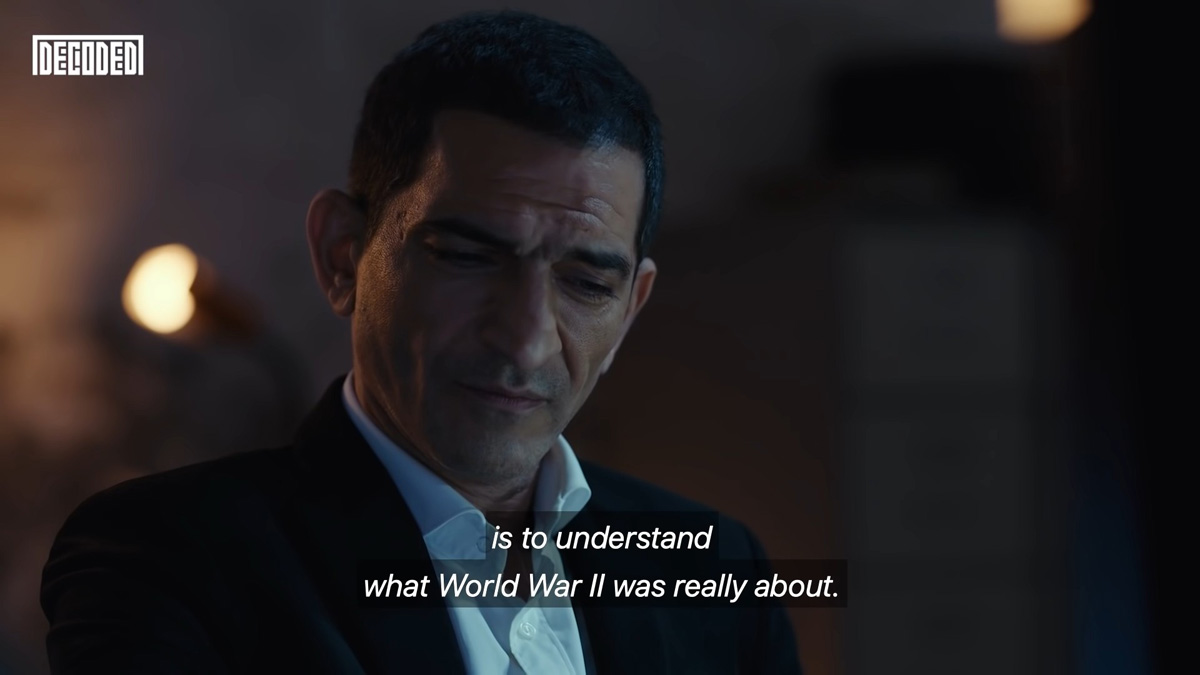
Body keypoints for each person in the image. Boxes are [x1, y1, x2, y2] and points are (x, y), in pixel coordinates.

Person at [40, 10, 802, 674]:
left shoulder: (719, 569)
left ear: (632, 309)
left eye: (585, 283)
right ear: (343, 255)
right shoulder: (166, 557)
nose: (525, 339)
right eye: (467, 256)